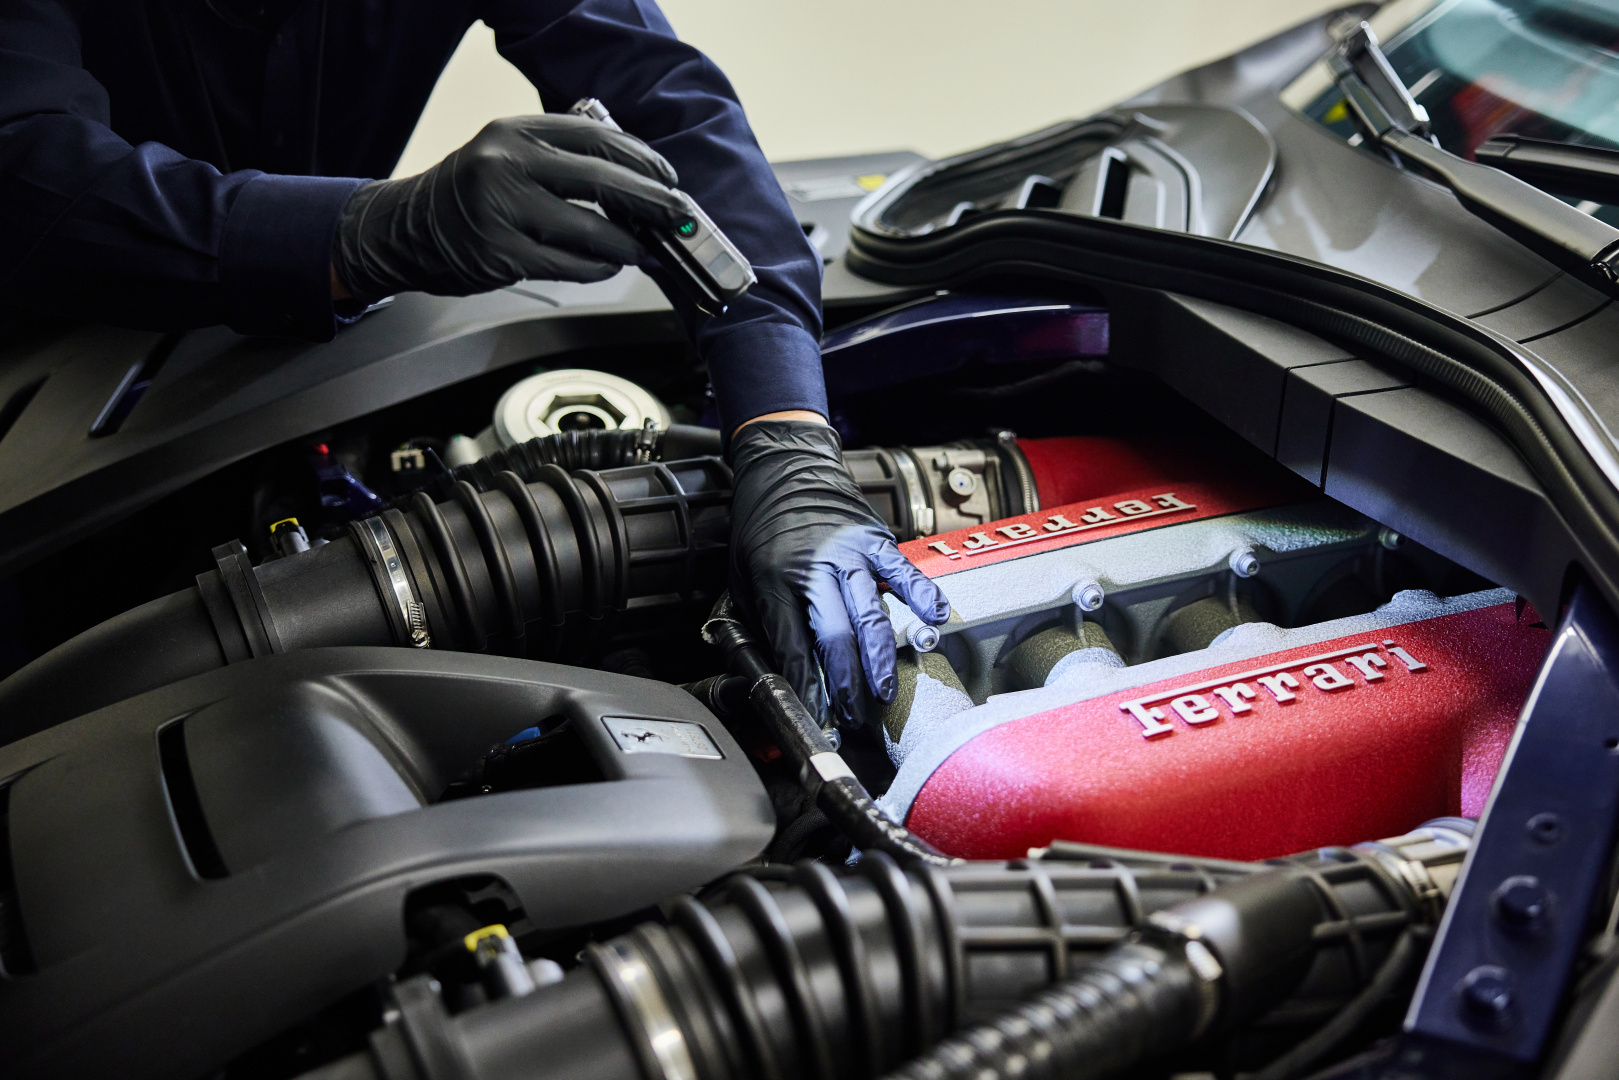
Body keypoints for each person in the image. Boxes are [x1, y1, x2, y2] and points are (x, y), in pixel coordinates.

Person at [0, 0, 949, 727]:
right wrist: (359, 234)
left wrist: (786, 434)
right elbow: (24, 159)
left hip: (286, 374)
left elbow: (662, 99)